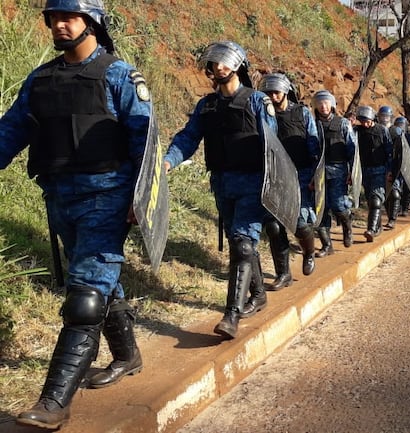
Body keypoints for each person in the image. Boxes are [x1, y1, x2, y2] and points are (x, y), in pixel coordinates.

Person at [0, 1, 149, 428]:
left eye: (69, 17)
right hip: (58, 197)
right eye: (54, 18)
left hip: (107, 198)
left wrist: (143, 200)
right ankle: (127, 355)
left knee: (85, 297)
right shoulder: (40, 79)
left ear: (92, 22)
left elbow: (144, 141)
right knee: (103, 282)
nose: (60, 25)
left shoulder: (119, 75)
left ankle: (53, 403)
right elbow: (12, 129)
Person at [164, 41, 277, 339]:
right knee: (241, 244)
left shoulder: (257, 102)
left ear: (238, 65)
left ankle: (231, 315)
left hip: (253, 184)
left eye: (225, 63)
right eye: (215, 64)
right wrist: (166, 162)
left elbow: (272, 147)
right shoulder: (207, 106)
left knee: (241, 244)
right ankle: (259, 295)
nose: (219, 68)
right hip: (222, 184)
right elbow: (188, 139)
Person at [259, 73, 321, 290]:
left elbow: (313, 144)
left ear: (285, 92)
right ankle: (283, 274)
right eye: (268, 93)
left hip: (301, 174)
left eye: (276, 92)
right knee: (274, 227)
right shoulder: (264, 115)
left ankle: (309, 252)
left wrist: (315, 174)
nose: (272, 96)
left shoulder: (302, 113)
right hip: (275, 176)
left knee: (301, 224)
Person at [312, 90, 355, 255]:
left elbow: (352, 148)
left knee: (339, 206)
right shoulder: (313, 124)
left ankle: (347, 227)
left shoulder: (343, 123)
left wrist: (352, 172)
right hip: (319, 173)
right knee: (320, 209)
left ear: (332, 105)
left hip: (339, 171)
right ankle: (327, 245)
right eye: (320, 103)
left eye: (326, 102)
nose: (323, 106)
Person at [354, 106, 392, 241]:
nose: (365, 123)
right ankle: (378, 227)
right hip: (364, 171)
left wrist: (390, 170)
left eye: (367, 121)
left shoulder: (382, 131)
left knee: (376, 199)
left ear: (372, 119)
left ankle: (370, 229)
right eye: (362, 121)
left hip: (379, 170)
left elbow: (389, 152)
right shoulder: (357, 131)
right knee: (371, 201)